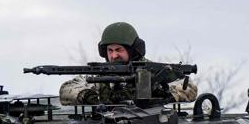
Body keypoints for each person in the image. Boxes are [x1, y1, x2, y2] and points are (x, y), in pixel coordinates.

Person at [58, 21, 197, 104]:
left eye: (119, 49)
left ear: (132, 50)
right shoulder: (101, 76)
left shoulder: (152, 70)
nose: (114, 55)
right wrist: (86, 96)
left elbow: (188, 87)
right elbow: (66, 90)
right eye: (110, 50)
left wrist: (164, 93)